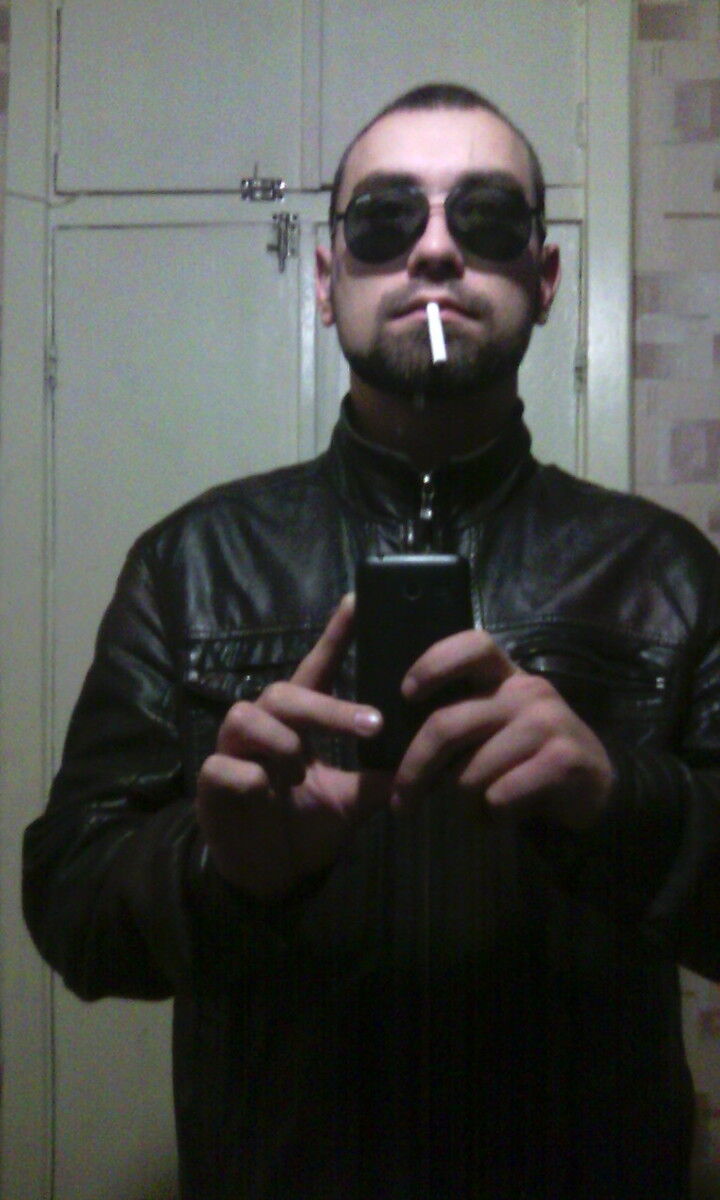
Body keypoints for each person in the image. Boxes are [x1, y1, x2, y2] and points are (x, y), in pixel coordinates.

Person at [22, 82, 720, 1200]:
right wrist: (220, 869)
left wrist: (617, 798)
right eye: (386, 221)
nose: (435, 251)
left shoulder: (665, 572)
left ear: (544, 281)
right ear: (325, 278)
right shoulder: (191, 563)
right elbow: (69, 902)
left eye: (486, 220)